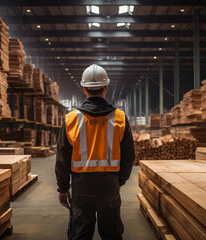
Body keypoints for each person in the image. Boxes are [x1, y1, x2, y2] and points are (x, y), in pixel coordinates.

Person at [55, 64, 135, 240]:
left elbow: (62, 158)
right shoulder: (120, 118)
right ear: (106, 87)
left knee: (80, 235)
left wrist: (63, 187)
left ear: (84, 89)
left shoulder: (71, 119)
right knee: (112, 235)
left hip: (81, 189)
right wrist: (120, 181)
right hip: (109, 186)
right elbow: (129, 156)